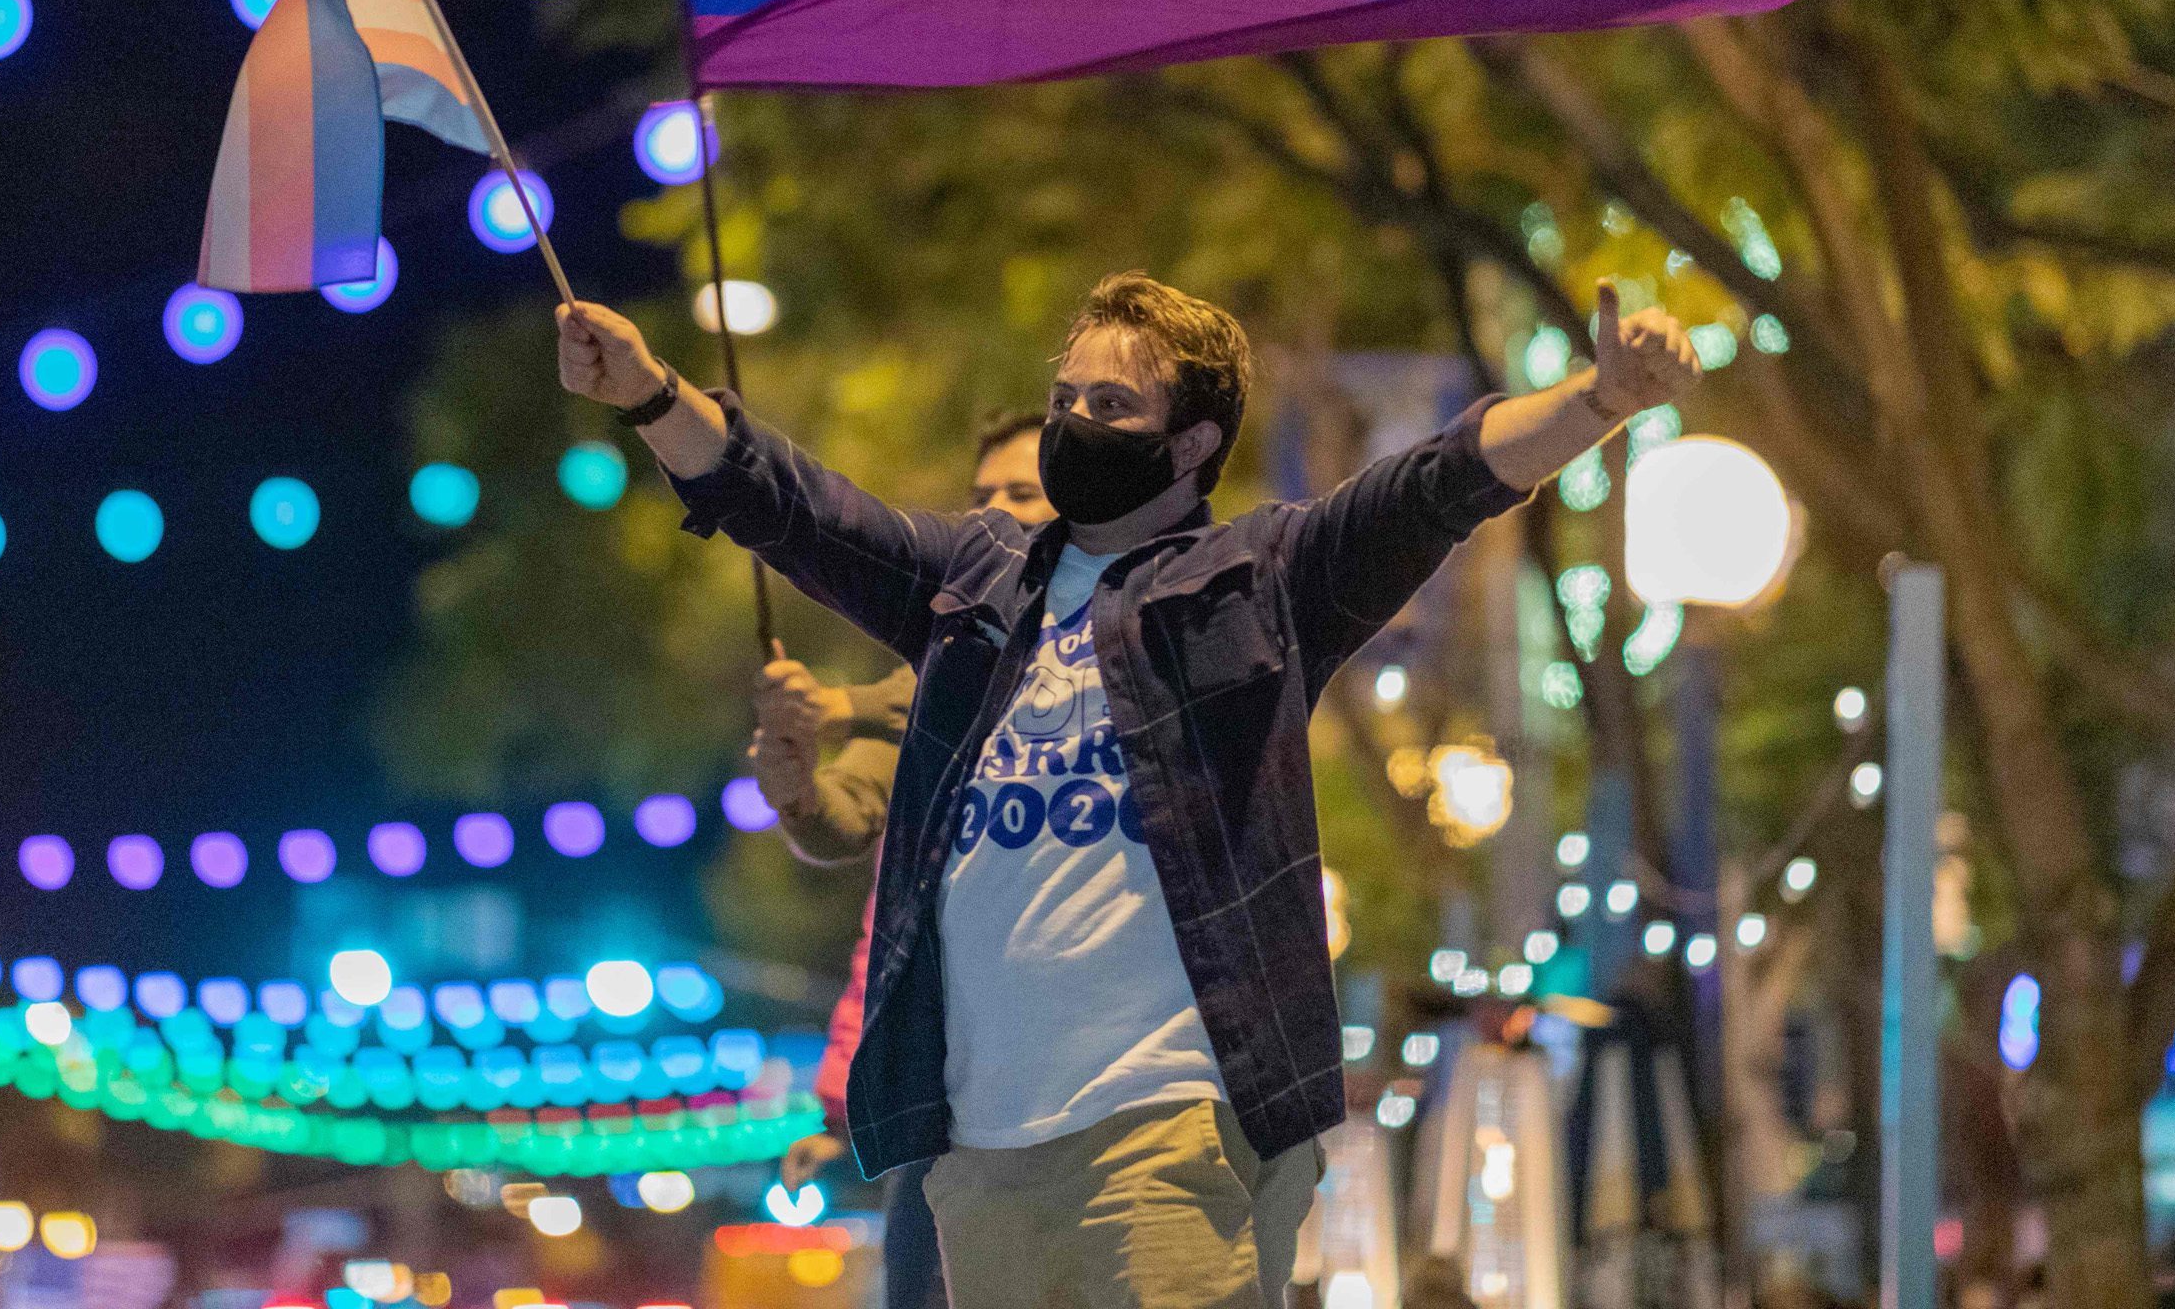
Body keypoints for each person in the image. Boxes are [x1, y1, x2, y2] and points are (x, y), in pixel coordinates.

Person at [559, 271, 1698, 1309]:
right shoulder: (971, 582)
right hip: (976, 1143)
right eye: (1066, 397)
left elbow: (1440, 481)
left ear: (1193, 440)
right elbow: (796, 507)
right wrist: (654, 394)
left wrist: (1600, 397)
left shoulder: (1261, 580)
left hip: (1168, 1122)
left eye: (1111, 408)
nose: (1073, 424)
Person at [755, 412, 1053, 1309]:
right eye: (981, 499)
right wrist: (797, 782)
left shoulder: (1107, 638)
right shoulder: (941, 662)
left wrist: (840, 702)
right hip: (944, 1094)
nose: (996, 517)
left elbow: (966, 687)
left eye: (1023, 496)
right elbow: (843, 833)